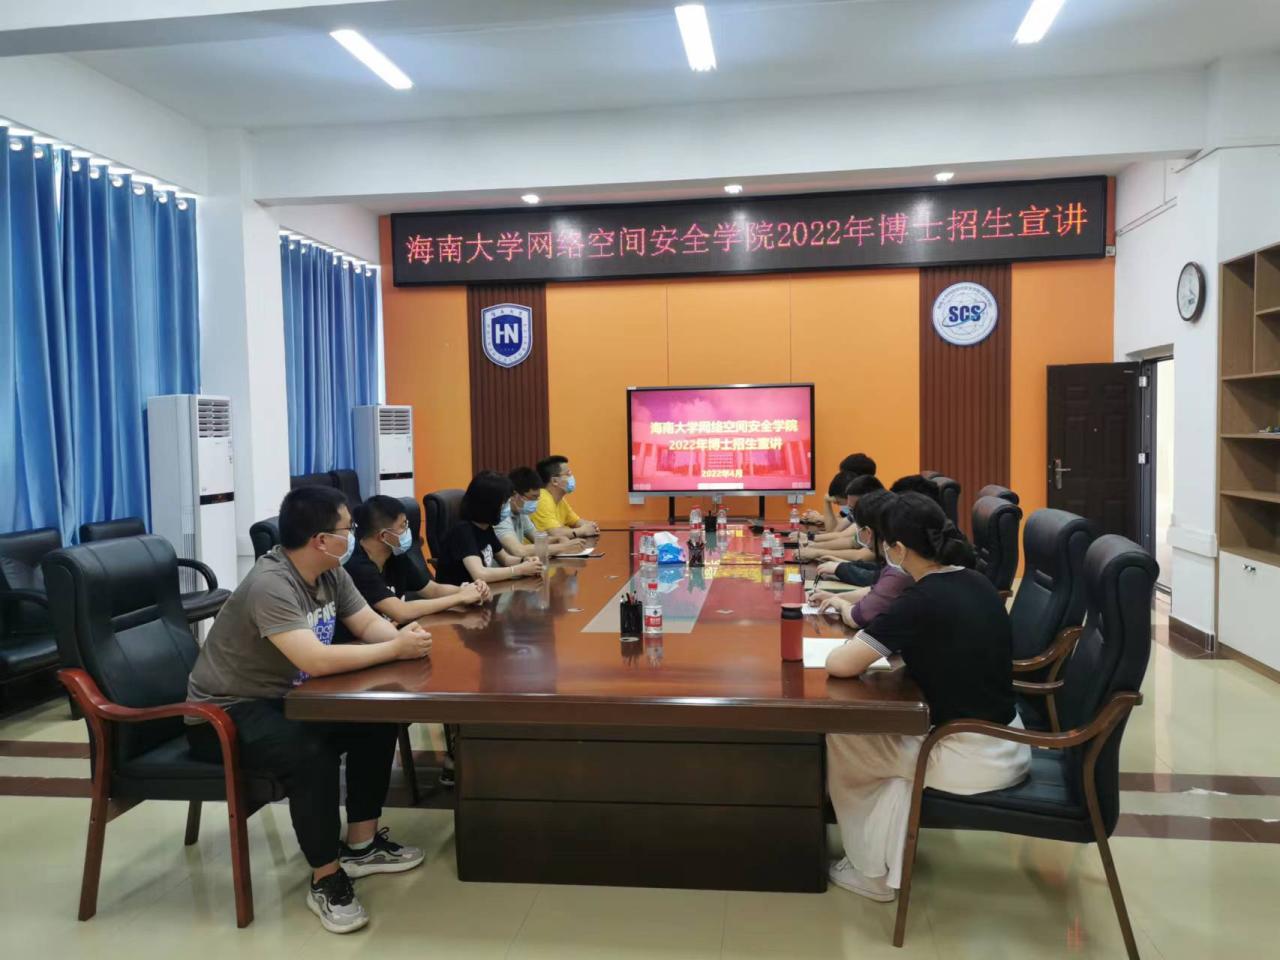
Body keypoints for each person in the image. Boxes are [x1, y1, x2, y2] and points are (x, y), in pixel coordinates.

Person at [185, 486, 432, 935]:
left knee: (375, 720)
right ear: (321, 539)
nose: (353, 536)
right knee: (310, 754)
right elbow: (314, 660)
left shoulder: (331, 571)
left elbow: (367, 623)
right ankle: (325, 876)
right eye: (347, 529)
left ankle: (361, 846)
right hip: (225, 712)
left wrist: (401, 638)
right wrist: (394, 649)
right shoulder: (271, 584)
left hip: (289, 698)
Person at [823, 493, 1029, 902]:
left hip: (968, 756)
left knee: (845, 737)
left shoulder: (919, 601)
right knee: (883, 743)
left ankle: (871, 872)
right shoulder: (975, 580)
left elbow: (840, 664)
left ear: (898, 549)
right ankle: (883, 856)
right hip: (1008, 740)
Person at [336, 495, 491, 643]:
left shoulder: (395, 555)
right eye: (403, 525)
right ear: (383, 536)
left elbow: (432, 590)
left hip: (392, 636)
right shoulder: (357, 566)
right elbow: (402, 612)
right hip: (357, 646)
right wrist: (460, 598)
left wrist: (471, 590)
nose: (408, 530)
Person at [808, 490, 911, 627]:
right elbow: (877, 588)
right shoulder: (900, 563)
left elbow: (856, 618)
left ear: (867, 532)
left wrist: (841, 604)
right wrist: (834, 597)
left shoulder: (901, 570)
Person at [436, 471, 545, 585]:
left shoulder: (486, 527)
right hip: (459, 593)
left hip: (483, 591)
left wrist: (525, 561)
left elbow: (505, 559)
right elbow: (480, 574)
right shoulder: (463, 531)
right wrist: (519, 569)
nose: (508, 507)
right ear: (490, 504)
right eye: (505, 503)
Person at [496, 466, 591, 558]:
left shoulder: (521, 512)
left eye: (538, 497)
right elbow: (519, 551)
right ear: (515, 495)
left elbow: (537, 539)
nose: (536, 502)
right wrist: (564, 547)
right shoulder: (501, 517)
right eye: (533, 497)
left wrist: (557, 539)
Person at [531, 455, 600, 538]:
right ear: (555, 481)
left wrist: (590, 526)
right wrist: (583, 530)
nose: (572, 477)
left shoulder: (560, 499)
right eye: (568, 474)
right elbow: (555, 533)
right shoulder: (542, 499)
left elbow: (575, 521)